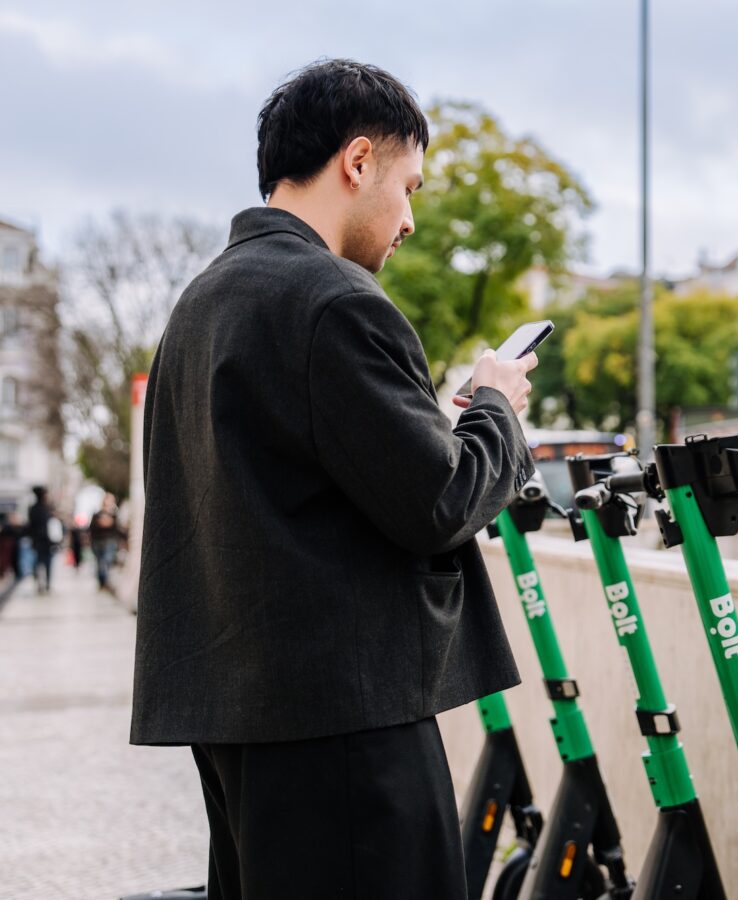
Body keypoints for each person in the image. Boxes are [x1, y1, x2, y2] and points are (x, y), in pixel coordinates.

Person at [130, 60, 536, 900]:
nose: (411, 218)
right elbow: (442, 499)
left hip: (239, 721)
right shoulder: (333, 300)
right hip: (345, 726)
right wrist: (494, 405)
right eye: (409, 186)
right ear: (357, 162)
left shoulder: (200, 304)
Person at [88, 494, 123, 591]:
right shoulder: (96, 515)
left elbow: (117, 529)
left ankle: (106, 581)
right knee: (100, 562)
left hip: (110, 541)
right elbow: (91, 528)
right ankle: (102, 582)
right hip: (98, 541)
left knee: (107, 561)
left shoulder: (114, 515)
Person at [26, 486, 56, 594]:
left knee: (38, 563)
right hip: (47, 541)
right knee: (46, 563)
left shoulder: (33, 509)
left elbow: (29, 526)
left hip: (38, 541)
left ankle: (40, 583)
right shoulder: (46, 508)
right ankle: (46, 583)